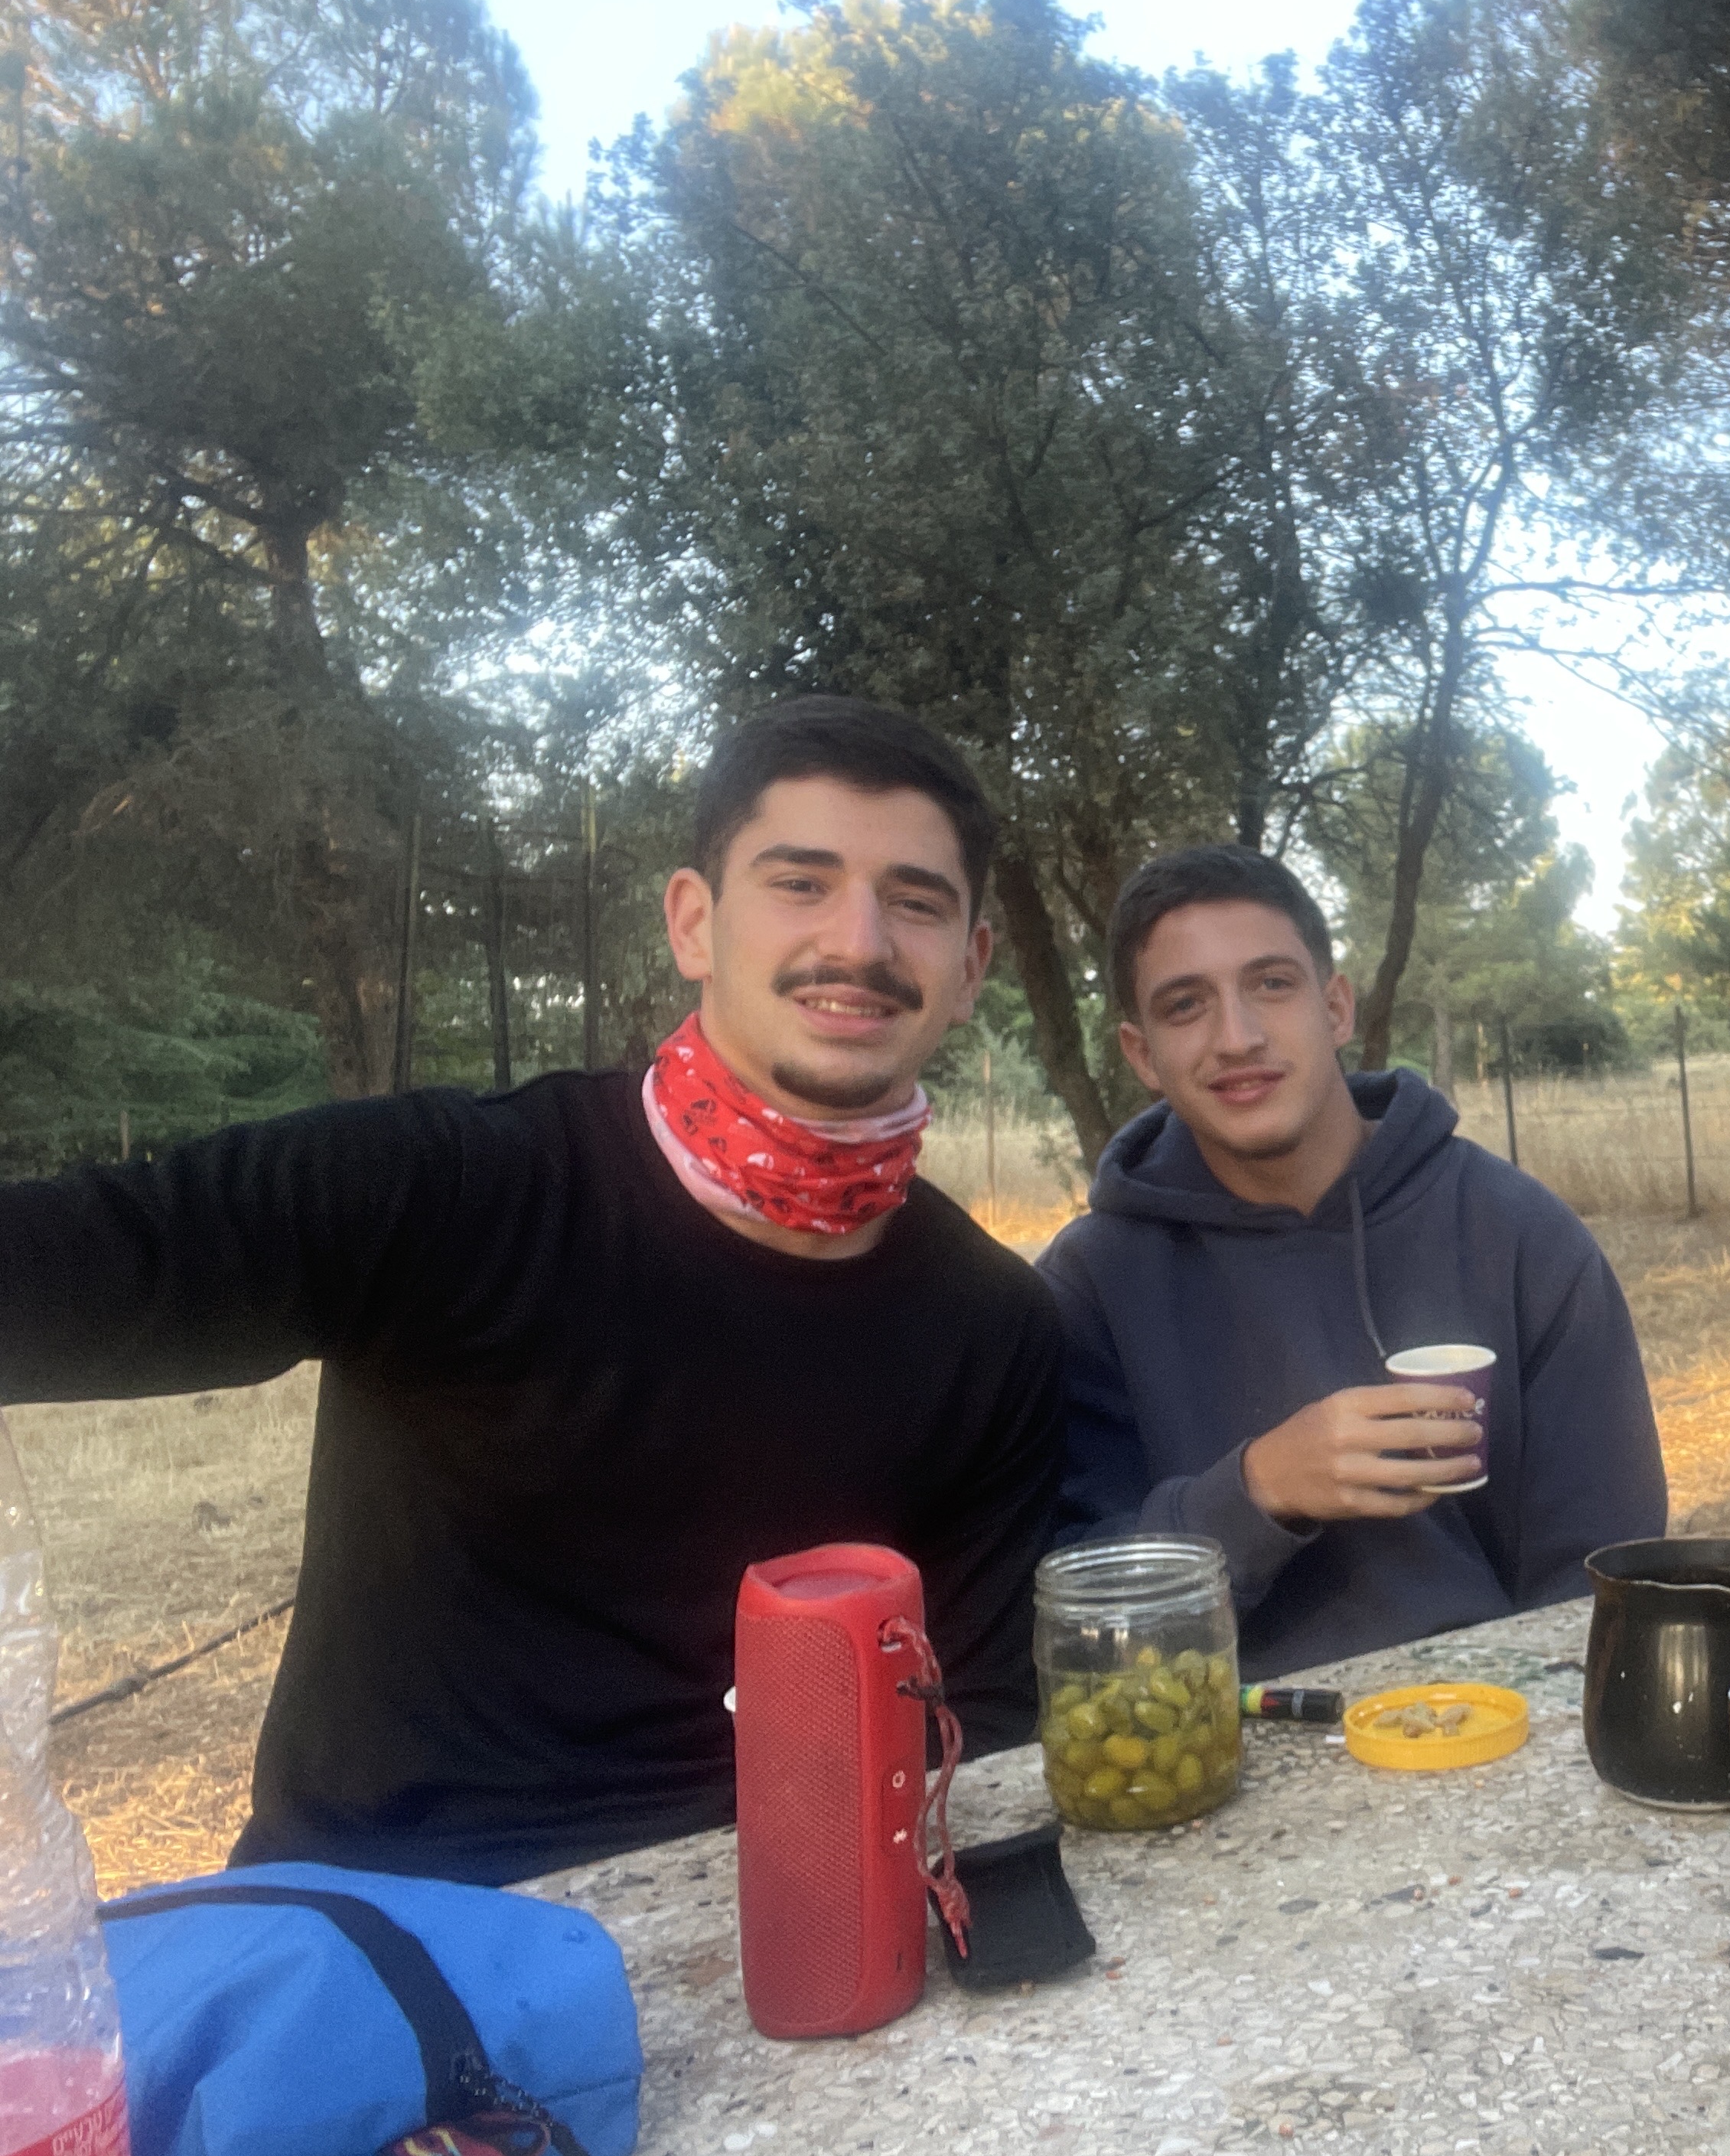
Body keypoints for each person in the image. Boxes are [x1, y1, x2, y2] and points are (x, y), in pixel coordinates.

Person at [0, 697, 1063, 1885]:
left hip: (784, 1915)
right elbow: (77, 1263)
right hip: (398, 1918)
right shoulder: (452, 1189)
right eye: (800, 884)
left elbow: (977, 1728)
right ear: (694, 923)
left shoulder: (996, 1326)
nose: (859, 940)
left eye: (915, 901)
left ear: (971, 968)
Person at [1036, 845, 1664, 1676]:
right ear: (1142, 1053)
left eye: (1272, 984)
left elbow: (1600, 1578)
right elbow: (1079, 1616)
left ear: (1335, 1008)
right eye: (1185, 1006)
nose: (1237, 1038)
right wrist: (1258, 1489)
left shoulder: (1515, 1233)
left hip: (1502, 1719)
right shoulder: (1087, 1287)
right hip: (1232, 1737)